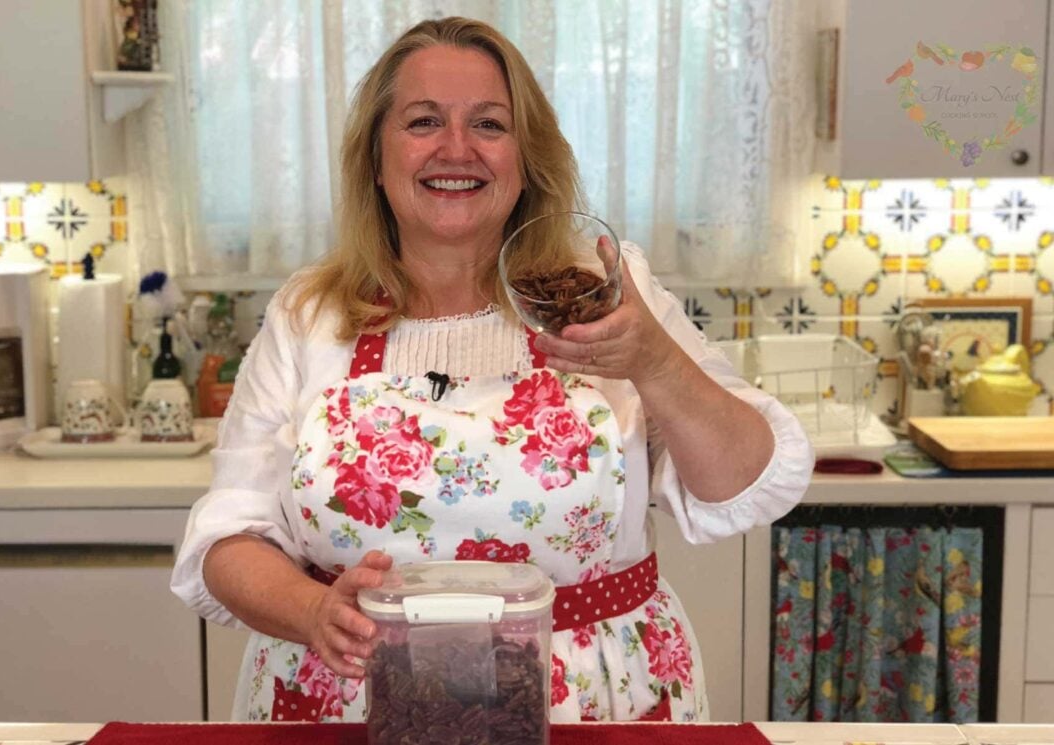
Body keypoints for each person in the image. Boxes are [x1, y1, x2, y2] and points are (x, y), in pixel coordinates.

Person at [171, 16, 813, 723]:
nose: (457, 149)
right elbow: (230, 538)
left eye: (489, 124)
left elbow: (745, 480)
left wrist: (655, 361)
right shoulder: (309, 315)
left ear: (525, 155)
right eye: (422, 121)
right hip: (347, 702)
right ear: (375, 159)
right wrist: (314, 609)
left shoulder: (606, 290)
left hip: (590, 707)